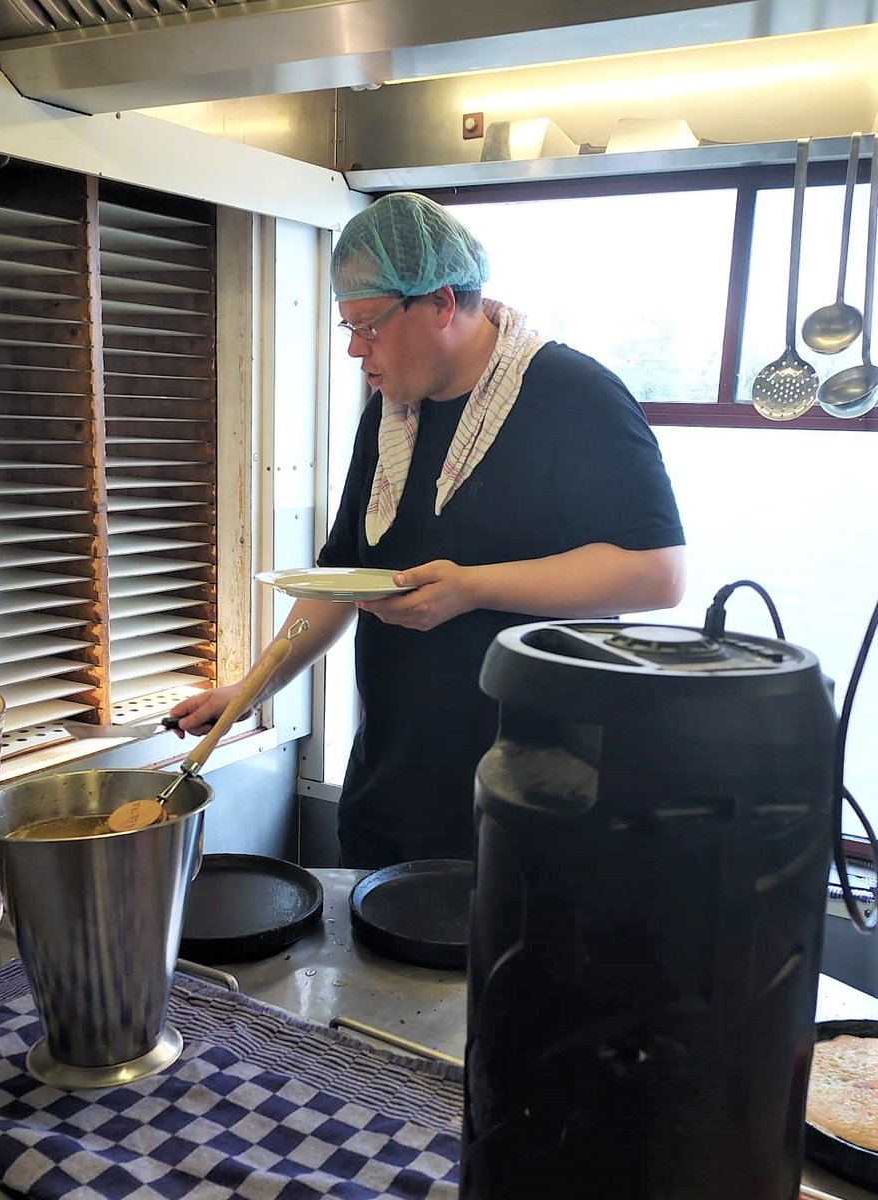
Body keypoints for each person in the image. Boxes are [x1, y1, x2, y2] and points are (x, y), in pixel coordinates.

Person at [170, 192, 686, 868]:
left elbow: (657, 573)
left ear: (440, 304)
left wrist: (471, 588)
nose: (356, 350)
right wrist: (253, 688)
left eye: (369, 326)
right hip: (395, 773)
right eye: (346, 327)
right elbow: (338, 580)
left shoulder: (571, 394)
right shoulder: (389, 416)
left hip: (532, 786)